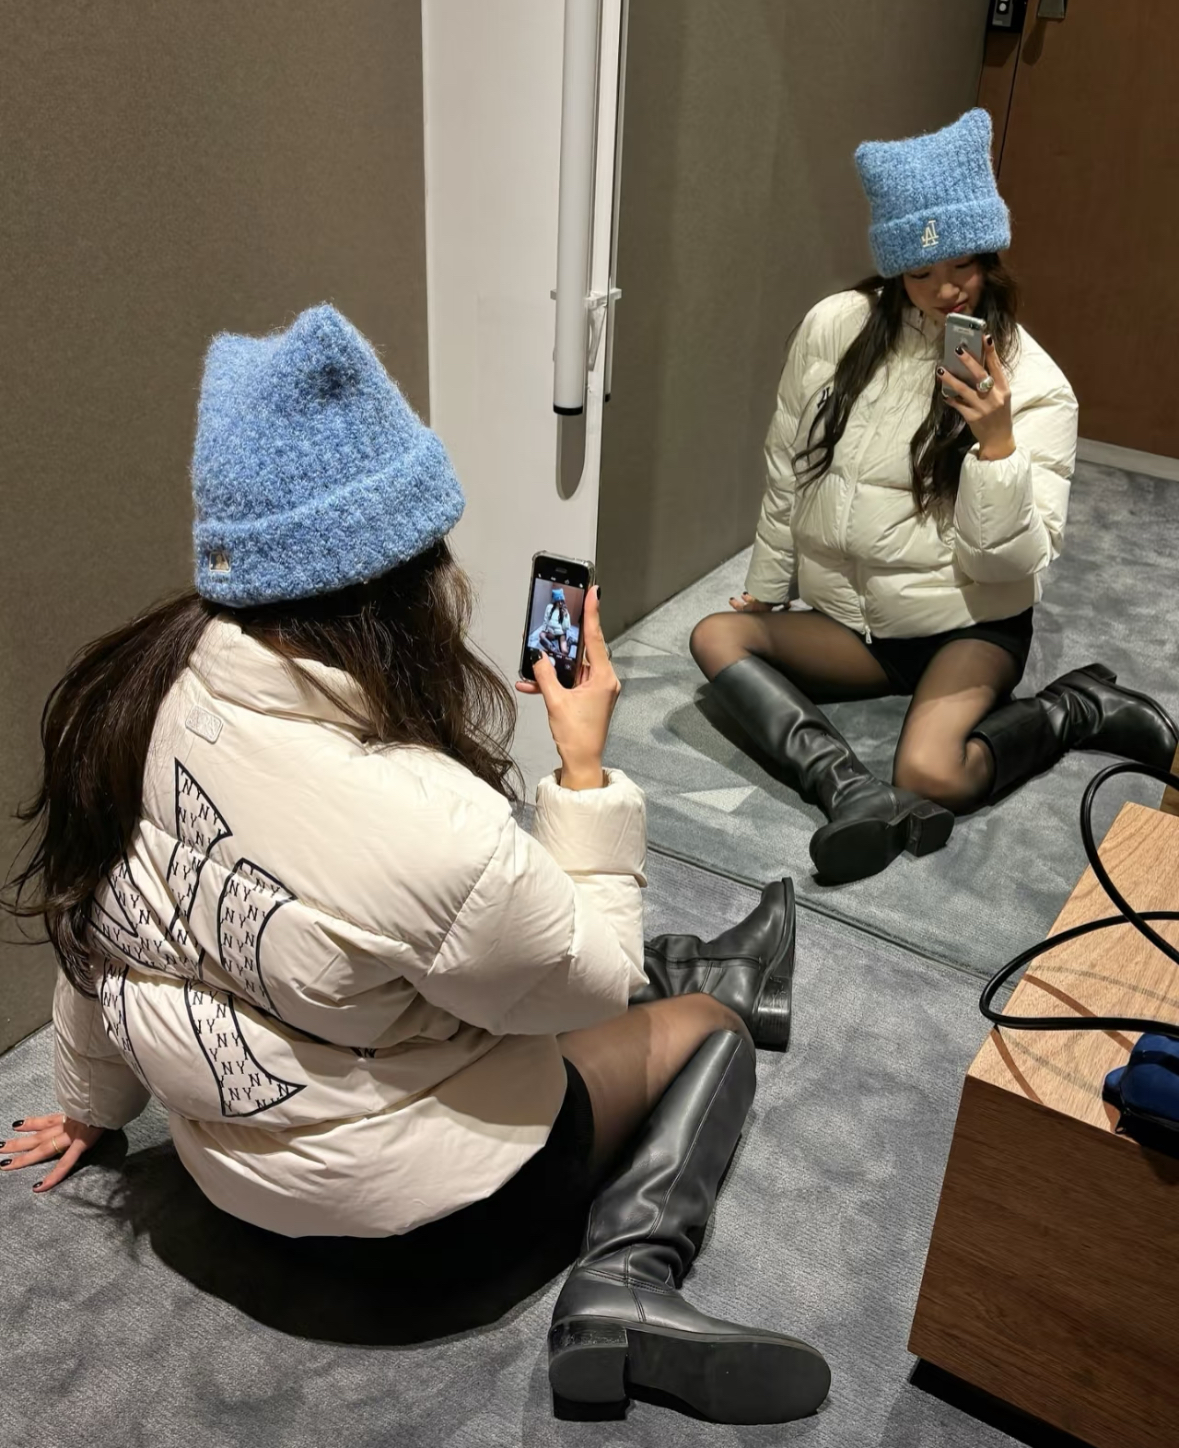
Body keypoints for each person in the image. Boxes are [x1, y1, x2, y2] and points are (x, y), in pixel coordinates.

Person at [1, 305, 828, 1424]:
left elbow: (107, 943)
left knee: (484, 944)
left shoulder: (129, 699)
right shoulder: (425, 821)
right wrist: (583, 769)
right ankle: (629, 1274)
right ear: (400, 582)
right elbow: (590, 982)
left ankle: (720, 963)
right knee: (699, 1029)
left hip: (229, 1189)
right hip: (424, 1245)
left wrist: (90, 1106)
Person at [690, 109, 1177, 885]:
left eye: (962, 264)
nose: (945, 289)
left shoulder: (1037, 385)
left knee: (930, 773)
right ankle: (848, 792)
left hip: (966, 622)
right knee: (716, 636)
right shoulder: (834, 328)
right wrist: (769, 584)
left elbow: (1011, 564)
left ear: (989, 253)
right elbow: (789, 464)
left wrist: (995, 445)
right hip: (854, 620)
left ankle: (1072, 706)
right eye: (920, 273)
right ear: (893, 269)